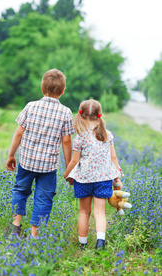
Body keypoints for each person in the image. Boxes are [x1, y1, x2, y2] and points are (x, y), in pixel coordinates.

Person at [6, 69, 75, 238]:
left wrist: (11, 155)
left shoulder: (30, 106)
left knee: (20, 191)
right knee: (44, 198)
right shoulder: (66, 112)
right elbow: (66, 142)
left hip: (27, 161)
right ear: (63, 90)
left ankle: (16, 226)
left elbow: (18, 133)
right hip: (48, 167)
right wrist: (69, 169)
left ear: (42, 88)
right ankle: (34, 235)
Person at [63, 99, 123, 251]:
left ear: (81, 116)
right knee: (100, 212)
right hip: (103, 179)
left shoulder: (80, 137)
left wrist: (66, 174)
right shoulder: (107, 135)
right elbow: (113, 158)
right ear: (99, 115)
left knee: (84, 212)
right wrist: (117, 177)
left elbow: (74, 160)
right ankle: (100, 243)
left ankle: (82, 245)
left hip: (84, 180)